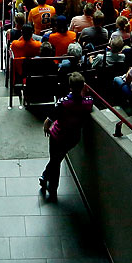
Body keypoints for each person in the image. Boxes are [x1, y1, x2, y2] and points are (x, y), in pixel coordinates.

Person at [41, 72, 93, 200]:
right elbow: (89, 99)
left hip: (57, 136)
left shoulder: (63, 102)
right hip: (72, 138)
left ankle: (52, 188)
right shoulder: (88, 103)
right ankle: (45, 177)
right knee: (56, 160)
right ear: (83, 86)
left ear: (70, 87)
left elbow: (49, 120)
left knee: (55, 160)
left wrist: (47, 126)